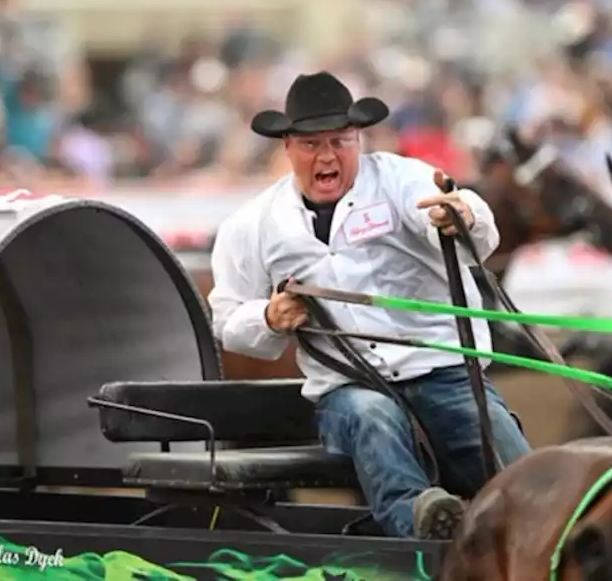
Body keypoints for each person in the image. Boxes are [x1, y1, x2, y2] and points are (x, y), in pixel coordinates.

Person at [208, 71, 531, 541]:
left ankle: (532, 537)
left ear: (358, 139)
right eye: (312, 143)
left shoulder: (404, 179)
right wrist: (268, 318)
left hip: (444, 371)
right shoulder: (251, 225)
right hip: (347, 387)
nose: (327, 156)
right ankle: (422, 529)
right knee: (371, 416)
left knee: (518, 474)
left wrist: (458, 215)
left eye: (340, 141)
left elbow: (467, 219)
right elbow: (227, 318)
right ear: (288, 148)